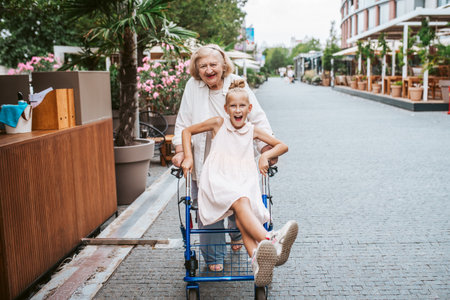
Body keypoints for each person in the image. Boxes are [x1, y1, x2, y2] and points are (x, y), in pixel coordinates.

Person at [181, 79, 298, 287]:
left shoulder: (253, 130)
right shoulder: (218, 123)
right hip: (217, 178)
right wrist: (188, 157)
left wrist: (265, 156)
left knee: (244, 210)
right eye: (233, 106)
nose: (237, 110)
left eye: (242, 106)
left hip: (243, 178)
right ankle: (270, 240)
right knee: (241, 200)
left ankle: (257, 259)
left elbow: (282, 145)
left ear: (249, 108)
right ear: (226, 109)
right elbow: (186, 131)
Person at [172, 44, 276, 272]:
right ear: (196, 69)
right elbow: (184, 122)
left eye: (213, 64)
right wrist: (181, 151)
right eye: (203, 66)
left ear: (223, 65)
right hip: (205, 158)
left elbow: (256, 117)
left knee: (240, 201)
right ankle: (214, 256)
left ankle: (239, 234)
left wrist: (266, 148)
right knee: (208, 207)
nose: (209, 70)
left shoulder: (236, 82)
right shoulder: (193, 86)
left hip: (236, 157)